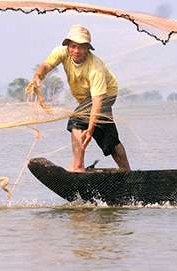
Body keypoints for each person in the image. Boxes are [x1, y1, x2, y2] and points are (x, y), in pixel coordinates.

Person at [28, 25, 131, 172]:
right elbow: (46, 65)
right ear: (68, 46)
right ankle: (127, 172)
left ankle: (78, 166)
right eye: (73, 46)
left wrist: (89, 129)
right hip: (87, 100)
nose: (76, 51)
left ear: (88, 48)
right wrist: (38, 76)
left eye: (82, 47)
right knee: (109, 139)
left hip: (106, 94)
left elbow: (97, 101)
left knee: (77, 120)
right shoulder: (62, 52)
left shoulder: (95, 67)